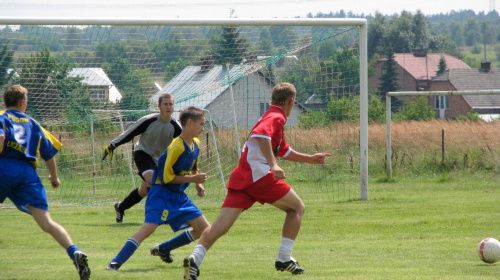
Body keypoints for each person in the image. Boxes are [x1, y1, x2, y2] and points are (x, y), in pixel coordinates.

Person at [183, 83, 331, 280]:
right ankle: (284, 257)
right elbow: (262, 136)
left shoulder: (271, 115)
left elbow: (283, 150)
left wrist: (310, 158)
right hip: (259, 176)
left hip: (243, 177)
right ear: (291, 101)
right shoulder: (276, 117)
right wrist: (273, 166)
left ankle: (195, 258)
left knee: (220, 226)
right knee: (297, 208)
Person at [0, 85, 91, 280]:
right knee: (47, 222)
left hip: (3, 166)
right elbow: (48, 155)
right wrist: (54, 177)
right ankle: (74, 251)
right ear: (23, 102)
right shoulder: (33, 123)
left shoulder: (2, 117)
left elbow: (0, 137)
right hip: (27, 174)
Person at [106, 106, 211, 271]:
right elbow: (166, 178)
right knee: (148, 228)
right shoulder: (176, 146)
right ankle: (115, 262)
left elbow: (193, 165)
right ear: (190, 123)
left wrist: (198, 184)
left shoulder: (195, 143)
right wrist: (193, 179)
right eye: (201, 124)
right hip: (161, 194)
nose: (203, 128)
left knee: (204, 229)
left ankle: (164, 248)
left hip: (178, 196)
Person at [102, 93, 181, 223]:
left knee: (143, 190)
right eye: (165, 104)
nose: (168, 107)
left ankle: (120, 207)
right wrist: (112, 145)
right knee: (151, 180)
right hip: (142, 152)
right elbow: (129, 133)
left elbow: (183, 145)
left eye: (170, 104)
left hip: (160, 159)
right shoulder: (148, 120)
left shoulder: (176, 126)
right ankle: (156, 215)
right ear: (159, 106)